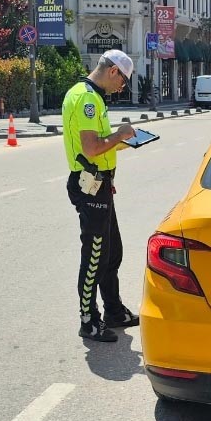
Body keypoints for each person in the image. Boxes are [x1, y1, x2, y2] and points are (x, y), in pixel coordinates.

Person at [62, 50, 140, 342]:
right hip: (89, 185)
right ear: (113, 72)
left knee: (112, 252)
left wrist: (122, 143)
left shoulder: (91, 96)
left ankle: (114, 311)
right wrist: (120, 135)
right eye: (123, 81)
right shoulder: (87, 100)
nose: (122, 88)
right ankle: (89, 320)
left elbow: (99, 146)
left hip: (101, 183)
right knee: (95, 257)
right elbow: (92, 148)